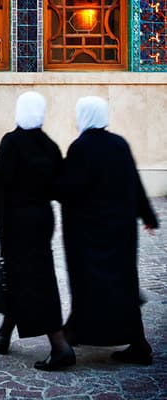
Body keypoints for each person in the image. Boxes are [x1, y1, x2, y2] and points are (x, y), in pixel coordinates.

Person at [56, 96, 159, 366]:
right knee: (123, 285)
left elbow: (70, 188)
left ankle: (71, 335)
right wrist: (148, 215)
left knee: (88, 284)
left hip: (89, 234)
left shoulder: (81, 148)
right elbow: (134, 182)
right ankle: (138, 344)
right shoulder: (119, 144)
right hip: (121, 233)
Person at [0, 90, 75, 371]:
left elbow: (3, 176)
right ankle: (3, 335)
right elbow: (57, 184)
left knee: (36, 281)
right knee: (20, 277)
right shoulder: (49, 145)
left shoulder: (12, 142)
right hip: (41, 221)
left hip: (17, 225)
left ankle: (59, 346)